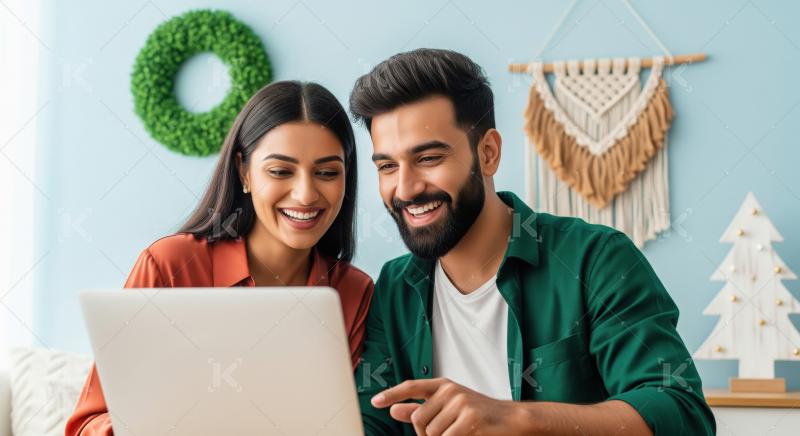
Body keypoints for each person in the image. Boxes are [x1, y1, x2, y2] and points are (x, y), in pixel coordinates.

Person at [349, 49, 715, 435]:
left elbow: (681, 412)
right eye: (387, 166)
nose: (405, 188)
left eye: (428, 158)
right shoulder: (394, 287)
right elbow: (366, 424)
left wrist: (519, 418)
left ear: (488, 153)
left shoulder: (596, 259)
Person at [65, 81, 374, 436]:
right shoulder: (169, 266)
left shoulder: (353, 292)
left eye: (326, 172)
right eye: (280, 171)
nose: (305, 194)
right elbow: (87, 424)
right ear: (244, 172)